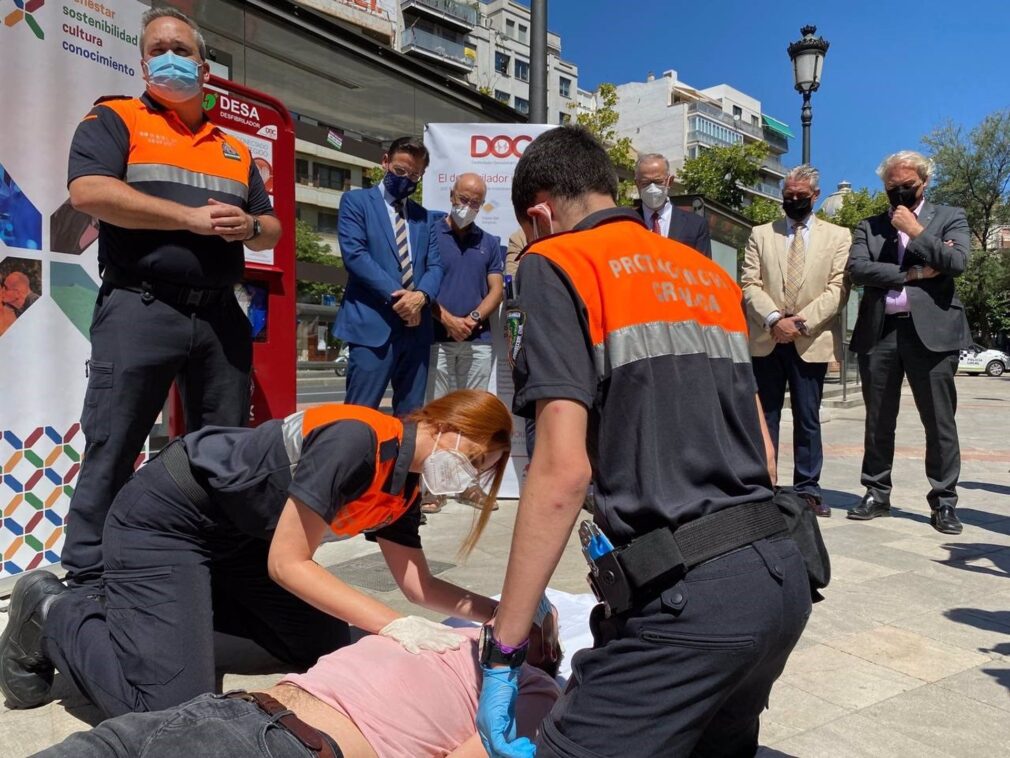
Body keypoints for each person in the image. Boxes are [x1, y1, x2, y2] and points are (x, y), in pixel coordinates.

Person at [476, 126, 811, 758]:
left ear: (540, 214)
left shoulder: (557, 263)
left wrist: (506, 649)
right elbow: (763, 448)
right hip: (777, 575)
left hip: (687, 602)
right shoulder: (705, 274)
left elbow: (560, 472)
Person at [0, 390, 541, 721]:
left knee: (329, 641)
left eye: (481, 470)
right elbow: (289, 564)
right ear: (442, 428)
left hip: (238, 540)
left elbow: (419, 586)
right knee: (167, 709)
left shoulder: (406, 486)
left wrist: (505, 616)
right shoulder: (357, 440)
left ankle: (161, 631)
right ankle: (58, 613)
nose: (467, 476)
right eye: (470, 458)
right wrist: (398, 627)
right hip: (168, 520)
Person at [61, 7, 281, 589]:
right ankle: (87, 579)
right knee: (113, 444)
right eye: (158, 48)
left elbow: (273, 226)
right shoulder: (117, 119)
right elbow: (88, 191)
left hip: (217, 314)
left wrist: (249, 229)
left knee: (227, 449)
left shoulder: (233, 150)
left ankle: (222, 572)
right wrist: (188, 218)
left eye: (182, 50)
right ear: (141, 62)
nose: (170, 58)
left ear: (204, 67)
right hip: (141, 306)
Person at [33, 608, 562, 758]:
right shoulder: (532, 687)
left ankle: (55, 610)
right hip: (286, 743)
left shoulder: (423, 635)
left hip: (224, 712)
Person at [846, 150, 971, 535]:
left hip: (932, 334)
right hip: (881, 331)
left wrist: (917, 231)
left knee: (939, 421)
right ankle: (876, 492)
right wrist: (913, 273)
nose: (899, 193)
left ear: (924, 182)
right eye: (892, 188)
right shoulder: (869, 226)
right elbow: (856, 269)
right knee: (878, 419)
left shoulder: (950, 217)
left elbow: (957, 263)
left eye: (907, 186)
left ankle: (945, 502)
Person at [741, 165, 851, 518]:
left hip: (810, 340)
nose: (793, 202)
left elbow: (838, 289)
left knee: (807, 417)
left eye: (800, 197)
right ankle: (763, 486)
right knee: (765, 416)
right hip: (767, 338)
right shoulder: (761, 234)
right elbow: (749, 285)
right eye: (787, 197)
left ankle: (807, 489)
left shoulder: (838, 237)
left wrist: (798, 325)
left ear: (815, 196)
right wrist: (775, 320)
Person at [334, 137, 443, 415]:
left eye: (415, 174)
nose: (407, 179)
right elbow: (355, 256)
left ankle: (400, 461)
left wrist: (421, 296)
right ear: (385, 162)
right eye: (400, 171)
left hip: (417, 331)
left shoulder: (424, 217)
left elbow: (436, 267)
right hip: (373, 326)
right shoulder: (356, 202)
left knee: (411, 418)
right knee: (358, 417)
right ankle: (356, 461)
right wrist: (402, 299)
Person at [421, 174, 504, 514]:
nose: (467, 206)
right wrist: (448, 320)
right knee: (436, 416)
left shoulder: (489, 241)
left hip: (478, 340)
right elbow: (421, 284)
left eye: (475, 202)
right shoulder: (428, 234)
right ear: (452, 194)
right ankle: (431, 488)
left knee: (473, 418)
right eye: (463, 198)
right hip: (434, 337)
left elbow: (496, 290)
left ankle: (469, 484)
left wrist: (471, 318)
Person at [633, 153, 712, 255]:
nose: (652, 188)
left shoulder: (696, 225)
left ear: (669, 181)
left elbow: (703, 268)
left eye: (658, 182)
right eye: (645, 183)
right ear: (637, 183)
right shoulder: (626, 223)